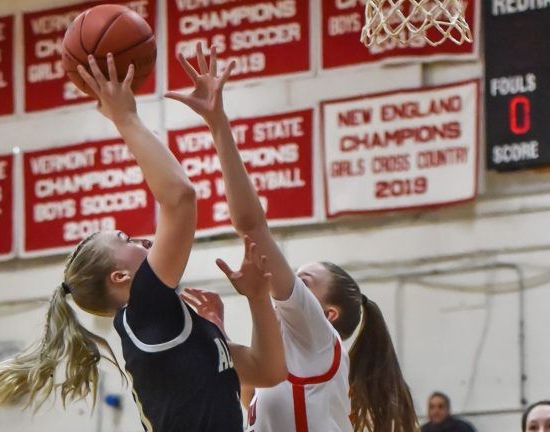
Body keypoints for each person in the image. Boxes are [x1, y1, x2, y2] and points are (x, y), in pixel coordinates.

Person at [0, 53, 287, 431]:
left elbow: (268, 371)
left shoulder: (169, 323)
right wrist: (125, 116)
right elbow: (180, 198)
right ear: (119, 277)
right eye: (125, 238)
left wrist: (255, 297)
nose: (143, 239)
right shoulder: (145, 311)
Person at [168, 44, 418, 432]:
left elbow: (252, 227)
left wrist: (218, 125)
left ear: (327, 313)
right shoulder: (289, 354)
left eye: (303, 281)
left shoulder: (317, 335)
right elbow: (250, 396)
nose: (285, 278)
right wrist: (218, 329)